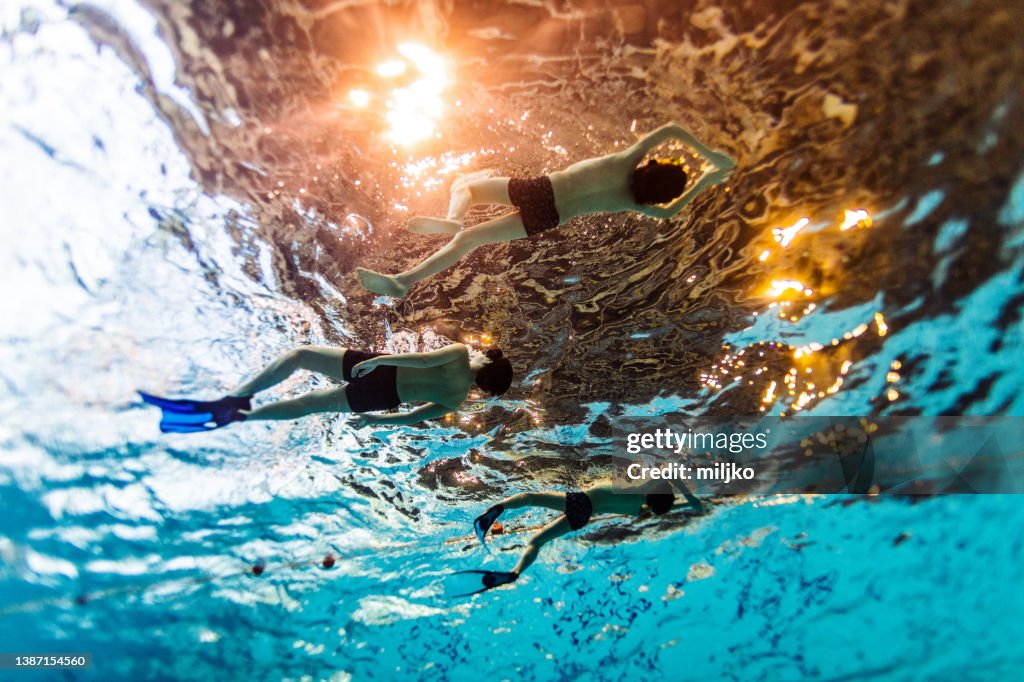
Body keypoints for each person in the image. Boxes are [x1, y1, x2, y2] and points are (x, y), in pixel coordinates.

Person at [357, 123, 736, 297]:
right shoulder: (627, 201)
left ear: (654, 166)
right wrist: (705, 180)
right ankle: (404, 282)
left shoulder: (625, 161)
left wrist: (709, 156)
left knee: (465, 187)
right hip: (549, 217)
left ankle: (453, 217)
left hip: (542, 189)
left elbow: (671, 129)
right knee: (470, 242)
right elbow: (669, 213)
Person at [139, 344, 513, 433]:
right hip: (381, 397)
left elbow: (422, 359)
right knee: (308, 405)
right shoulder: (456, 399)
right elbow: (413, 417)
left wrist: (380, 360)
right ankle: (240, 417)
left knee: (301, 355)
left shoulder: (459, 354)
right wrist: (374, 421)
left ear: (487, 362)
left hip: (381, 370)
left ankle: (237, 397)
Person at [453, 479, 704, 595]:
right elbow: (665, 505)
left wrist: (689, 496)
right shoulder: (640, 510)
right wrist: (689, 505)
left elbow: (671, 475)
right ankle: (514, 573)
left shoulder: (639, 487)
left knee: (530, 497)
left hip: (580, 501)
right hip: (583, 516)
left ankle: (494, 512)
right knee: (537, 541)